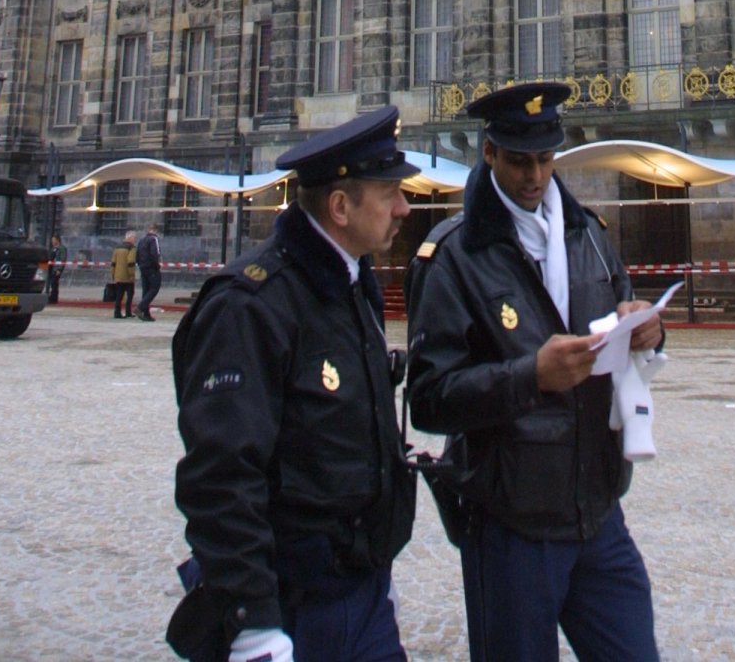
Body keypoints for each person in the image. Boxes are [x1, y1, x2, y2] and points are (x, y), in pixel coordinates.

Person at [406, 82, 663, 662]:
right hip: (509, 525)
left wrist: (645, 325)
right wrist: (531, 378)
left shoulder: (588, 236)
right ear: (489, 153)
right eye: (520, 161)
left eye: (546, 159)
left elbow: (624, 308)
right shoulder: (451, 257)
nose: (535, 176)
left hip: (596, 512)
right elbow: (428, 399)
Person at [171, 108, 417, 662]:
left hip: (362, 592)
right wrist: (253, 624)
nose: (405, 208)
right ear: (340, 207)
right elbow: (220, 476)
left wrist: (379, 566)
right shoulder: (251, 307)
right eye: (390, 194)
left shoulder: (355, 284)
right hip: (291, 607)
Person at [136, 224, 161, 320]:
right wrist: (157, 265)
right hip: (151, 267)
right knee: (154, 288)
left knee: (146, 290)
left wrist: (140, 264)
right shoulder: (154, 239)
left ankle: (146, 314)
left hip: (143, 266)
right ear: (156, 230)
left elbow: (137, 254)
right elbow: (155, 253)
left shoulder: (142, 240)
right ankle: (140, 307)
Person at [110, 229, 137, 319]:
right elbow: (131, 262)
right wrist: (132, 275)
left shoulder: (117, 247)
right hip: (127, 276)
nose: (135, 240)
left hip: (118, 276)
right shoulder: (132, 248)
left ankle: (117, 312)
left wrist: (113, 275)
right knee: (130, 294)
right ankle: (128, 311)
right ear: (131, 238)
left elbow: (113, 262)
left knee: (119, 294)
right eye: (134, 238)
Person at [47, 233, 67, 305]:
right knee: (52, 283)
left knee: (54, 283)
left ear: (57, 240)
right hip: (51, 268)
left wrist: (59, 269)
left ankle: (54, 298)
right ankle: (51, 296)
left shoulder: (62, 249)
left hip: (56, 268)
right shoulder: (53, 248)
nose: (52, 241)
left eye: (53, 240)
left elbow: (63, 259)